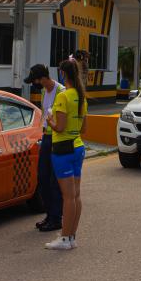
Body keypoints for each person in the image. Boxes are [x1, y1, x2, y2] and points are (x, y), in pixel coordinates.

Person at [45, 59, 88, 250]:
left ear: (63, 73)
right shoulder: (81, 96)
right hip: (78, 146)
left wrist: (50, 120)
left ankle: (64, 238)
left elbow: (59, 127)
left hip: (62, 148)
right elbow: (83, 128)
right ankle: (71, 236)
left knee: (67, 196)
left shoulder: (63, 97)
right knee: (75, 195)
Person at [24, 64, 65, 232]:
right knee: (43, 177)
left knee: (54, 181)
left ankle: (56, 218)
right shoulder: (43, 92)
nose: (35, 84)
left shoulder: (61, 92)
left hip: (58, 138)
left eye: (35, 81)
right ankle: (49, 214)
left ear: (41, 78)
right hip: (47, 138)